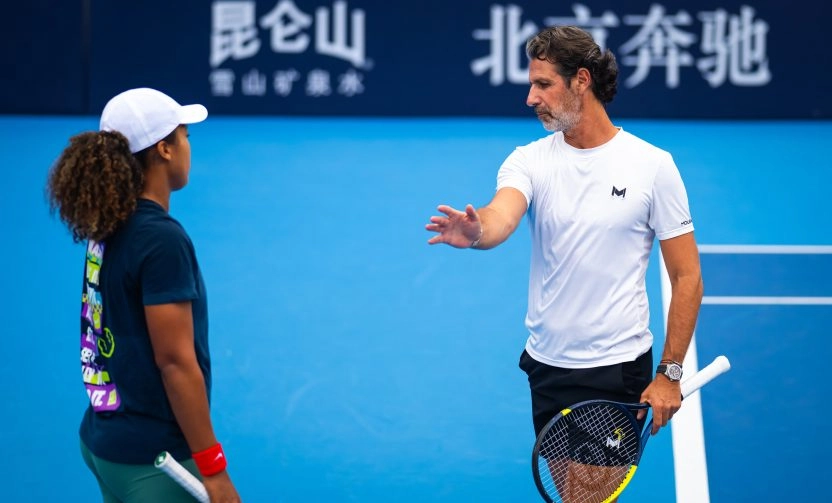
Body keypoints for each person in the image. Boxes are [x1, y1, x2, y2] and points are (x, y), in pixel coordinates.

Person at [426, 23, 703, 479]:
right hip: (547, 365)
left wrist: (669, 373)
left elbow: (687, 276)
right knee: (567, 489)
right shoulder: (528, 160)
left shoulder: (653, 167)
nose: (530, 98)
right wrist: (477, 231)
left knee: (585, 495)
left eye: (543, 84)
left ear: (581, 80)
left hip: (615, 368)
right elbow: (501, 216)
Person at [47, 88, 241, 503]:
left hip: (104, 443)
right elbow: (174, 362)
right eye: (185, 135)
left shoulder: (108, 220)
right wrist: (213, 468)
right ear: (165, 149)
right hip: (157, 465)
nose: (189, 146)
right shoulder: (160, 240)